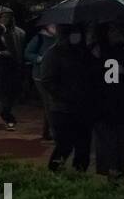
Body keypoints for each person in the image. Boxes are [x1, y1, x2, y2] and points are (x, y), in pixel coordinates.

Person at [41, 23, 98, 171]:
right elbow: (47, 81)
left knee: (83, 147)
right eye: (73, 32)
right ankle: (54, 176)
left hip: (84, 108)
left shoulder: (84, 52)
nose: (76, 36)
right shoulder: (53, 54)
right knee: (64, 146)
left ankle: (78, 177)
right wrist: (67, 96)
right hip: (63, 109)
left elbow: (92, 75)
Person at [94, 24, 124, 179]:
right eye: (112, 31)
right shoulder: (98, 53)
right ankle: (115, 172)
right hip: (113, 105)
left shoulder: (97, 53)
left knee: (116, 142)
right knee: (114, 142)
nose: (116, 34)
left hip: (114, 106)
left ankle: (115, 172)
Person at [0, 7, 26, 129]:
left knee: (14, 92)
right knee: (4, 91)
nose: (6, 19)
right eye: (4, 16)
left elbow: (20, 50)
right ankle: (7, 115)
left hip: (16, 65)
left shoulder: (20, 32)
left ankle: (6, 112)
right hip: (2, 65)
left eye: (8, 16)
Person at [25, 22, 58, 141]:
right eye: (52, 25)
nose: (54, 27)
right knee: (49, 103)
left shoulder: (58, 38)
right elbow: (28, 53)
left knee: (49, 103)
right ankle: (54, 133)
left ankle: (46, 132)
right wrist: (39, 59)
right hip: (40, 75)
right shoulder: (39, 38)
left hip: (54, 75)